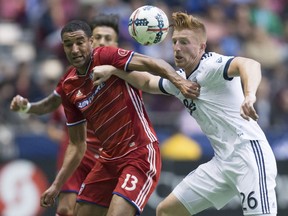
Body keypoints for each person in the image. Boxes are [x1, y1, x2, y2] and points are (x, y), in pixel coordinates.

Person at [92, 11, 278, 216]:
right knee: (166, 211)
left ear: (201, 47)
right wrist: (114, 69)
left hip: (249, 155)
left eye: (185, 42)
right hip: (222, 162)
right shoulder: (179, 80)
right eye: (174, 42)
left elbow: (250, 64)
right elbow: (147, 82)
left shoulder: (211, 66)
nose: (177, 48)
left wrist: (250, 95)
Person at [39, 19, 199, 216]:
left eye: (80, 42)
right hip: (108, 159)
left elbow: (152, 63)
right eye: (68, 44)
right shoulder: (69, 87)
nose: (75, 49)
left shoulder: (106, 56)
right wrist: (57, 185)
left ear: (90, 42)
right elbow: (77, 144)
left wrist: (180, 82)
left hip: (139, 153)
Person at [10, 14, 121, 216]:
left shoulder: (126, 72)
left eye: (108, 38)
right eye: (99, 38)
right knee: (65, 209)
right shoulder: (71, 78)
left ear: (117, 44)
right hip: (79, 151)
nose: (103, 42)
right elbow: (51, 104)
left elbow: (150, 79)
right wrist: (27, 108)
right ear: (91, 42)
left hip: (111, 156)